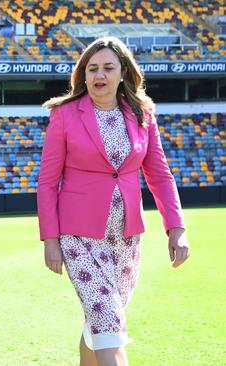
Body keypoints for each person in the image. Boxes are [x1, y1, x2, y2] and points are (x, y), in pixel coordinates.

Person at [37, 37, 190, 366]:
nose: (99, 75)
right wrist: (50, 240)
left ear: (123, 73)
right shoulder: (64, 115)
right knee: (107, 318)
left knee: (100, 322)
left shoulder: (142, 113)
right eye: (92, 68)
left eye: (108, 67)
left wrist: (176, 228)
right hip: (79, 238)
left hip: (127, 238)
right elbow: (48, 182)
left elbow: (160, 174)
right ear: (83, 74)